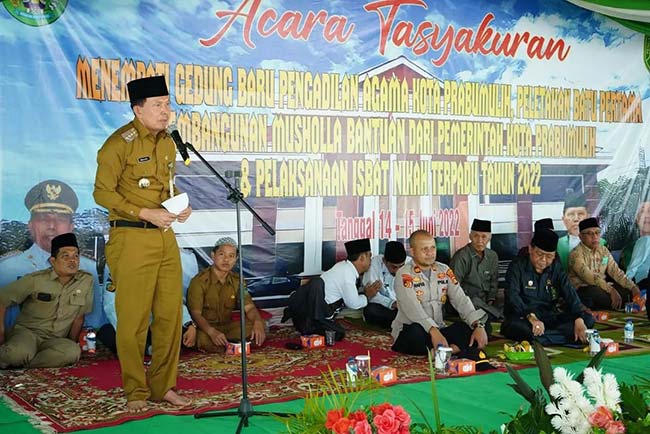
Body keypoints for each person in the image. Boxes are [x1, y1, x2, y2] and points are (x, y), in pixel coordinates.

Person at [93, 75, 192, 412]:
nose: (166, 111)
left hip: (165, 238)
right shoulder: (118, 144)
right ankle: (136, 391)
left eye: (168, 104)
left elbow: (166, 187)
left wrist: (178, 204)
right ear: (138, 109)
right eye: (158, 105)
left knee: (169, 316)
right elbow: (102, 192)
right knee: (134, 320)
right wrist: (144, 212)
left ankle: (164, 386)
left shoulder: (167, 143)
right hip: (131, 236)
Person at [0, 180, 106, 331]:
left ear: (71, 226)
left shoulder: (87, 267)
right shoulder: (7, 267)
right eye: (43, 218)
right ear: (30, 225)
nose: (51, 226)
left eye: (61, 219)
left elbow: (93, 321)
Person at [391, 230, 490, 367]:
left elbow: (460, 299)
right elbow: (412, 308)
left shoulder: (444, 270)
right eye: (424, 249)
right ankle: (451, 348)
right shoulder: (404, 274)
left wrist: (478, 325)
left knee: (480, 326)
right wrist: (433, 330)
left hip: (439, 330)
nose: (430, 252)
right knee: (414, 333)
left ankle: (442, 351)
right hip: (415, 331)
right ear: (412, 252)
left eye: (432, 248)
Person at [0, 233, 92, 368]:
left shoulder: (86, 281)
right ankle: (20, 358)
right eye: (65, 256)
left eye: (76, 256)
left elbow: (79, 317)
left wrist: (71, 342)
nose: (72, 260)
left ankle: (24, 365)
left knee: (72, 352)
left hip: (56, 339)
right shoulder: (35, 280)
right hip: (28, 334)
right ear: (53, 261)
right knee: (18, 353)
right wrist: (1, 334)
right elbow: (2, 300)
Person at [501, 228, 594, 345]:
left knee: (587, 320)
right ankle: (561, 338)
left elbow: (569, 292)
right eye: (540, 254)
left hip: (549, 316)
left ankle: (543, 339)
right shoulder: (517, 266)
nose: (544, 260)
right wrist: (531, 317)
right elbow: (513, 297)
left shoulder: (556, 267)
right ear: (530, 249)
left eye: (549, 256)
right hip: (524, 317)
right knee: (518, 328)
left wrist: (579, 319)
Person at [98, 248, 199, 354]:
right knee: (107, 333)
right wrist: (129, 335)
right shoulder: (116, 277)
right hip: (130, 329)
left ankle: (149, 348)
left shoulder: (157, 273)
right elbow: (111, 308)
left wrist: (190, 325)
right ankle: (148, 349)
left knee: (182, 332)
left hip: (155, 328)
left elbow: (173, 302)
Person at [282, 238, 380, 340]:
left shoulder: (344, 267)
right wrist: (367, 296)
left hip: (313, 307)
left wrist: (364, 293)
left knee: (334, 331)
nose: (371, 260)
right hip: (310, 312)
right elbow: (353, 303)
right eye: (369, 256)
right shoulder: (347, 274)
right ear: (362, 257)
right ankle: (309, 327)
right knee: (337, 334)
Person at [187, 237, 266, 352]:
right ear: (213, 256)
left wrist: (257, 322)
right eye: (221, 254)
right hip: (206, 329)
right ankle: (236, 345)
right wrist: (212, 332)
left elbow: (249, 307)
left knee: (260, 326)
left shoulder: (237, 280)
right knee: (201, 339)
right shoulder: (199, 281)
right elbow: (196, 314)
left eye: (231, 256)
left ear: (236, 259)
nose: (226, 260)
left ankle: (228, 346)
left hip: (228, 327)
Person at [568, 218, 640, 310]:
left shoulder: (603, 250)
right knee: (605, 298)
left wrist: (632, 286)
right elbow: (589, 278)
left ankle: (614, 304)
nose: (594, 236)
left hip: (603, 286)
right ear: (580, 236)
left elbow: (615, 271)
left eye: (597, 232)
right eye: (589, 233)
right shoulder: (575, 254)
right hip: (583, 287)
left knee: (629, 292)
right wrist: (611, 290)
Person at [450, 219, 501, 325]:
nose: (480, 240)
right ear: (470, 236)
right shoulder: (461, 256)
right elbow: (454, 287)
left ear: (489, 238)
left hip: (486, 302)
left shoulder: (492, 256)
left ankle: (490, 314)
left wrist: (491, 300)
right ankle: (495, 316)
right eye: (476, 236)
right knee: (475, 302)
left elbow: (494, 282)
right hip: (467, 301)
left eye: (484, 237)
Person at [361, 241, 407, 330]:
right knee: (370, 310)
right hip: (387, 308)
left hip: (405, 308)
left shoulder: (410, 264)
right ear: (384, 261)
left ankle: (402, 324)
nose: (398, 271)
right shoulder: (374, 265)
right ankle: (404, 325)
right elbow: (372, 296)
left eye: (401, 266)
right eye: (394, 267)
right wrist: (392, 303)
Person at [556, 192, 604, 270]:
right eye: (571, 214)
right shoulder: (557, 245)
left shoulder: (601, 243)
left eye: (580, 214)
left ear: (588, 217)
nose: (576, 219)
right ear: (563, 219)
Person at [625, 199, 650, 291]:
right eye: (642, 211)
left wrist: (625, 283)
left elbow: (632, 268)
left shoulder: (645, 240)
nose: (646, 216)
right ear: (636, 217)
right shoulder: (629, 248)